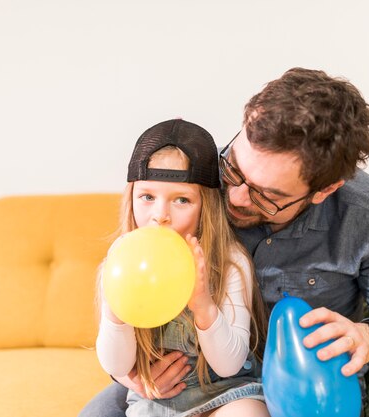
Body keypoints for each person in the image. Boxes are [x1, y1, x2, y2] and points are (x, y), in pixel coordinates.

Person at [80, 68, 369, 417]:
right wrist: (130, 375)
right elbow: (134, 279)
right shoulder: (193, 176)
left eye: (267, 196)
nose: (235, 197)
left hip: (303, 391)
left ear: (325, 190)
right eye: (234, 170)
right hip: (185, 378)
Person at [95, 119, 270, 416]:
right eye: (147, 197)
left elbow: (229, 364)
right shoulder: (121, 257)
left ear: (206, 207)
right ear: (132, 199)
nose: (160, 215)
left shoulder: (229, 261)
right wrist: (116, 310)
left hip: (227, 393)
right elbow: (116, 365)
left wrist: (203, 304)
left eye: (181, 200)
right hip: (156, 403)